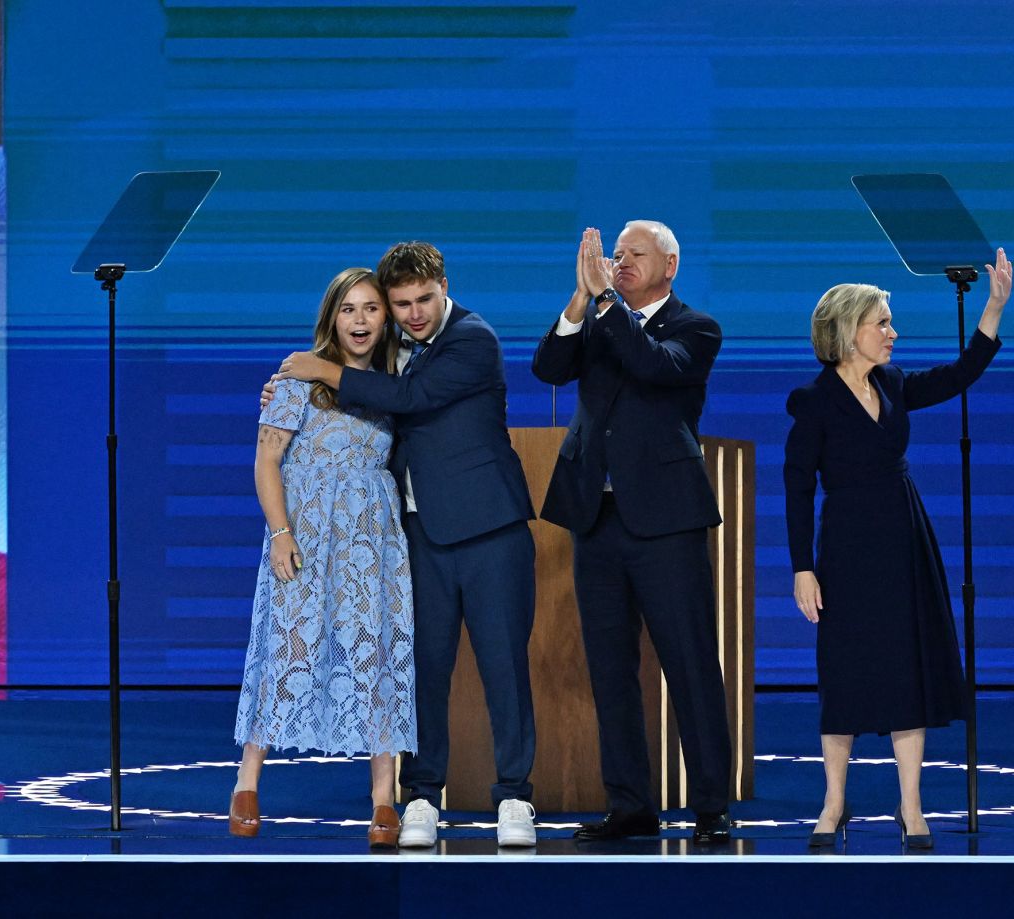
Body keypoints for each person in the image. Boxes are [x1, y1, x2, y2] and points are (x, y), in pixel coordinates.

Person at [271, 241, 539, 848]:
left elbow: (412, 401)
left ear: (444, 285)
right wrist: (289, 392)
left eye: (424, 299)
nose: (415, 313)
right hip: (417, 535)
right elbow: (363, 403)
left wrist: (324, 370)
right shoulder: (390, 355)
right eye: (401, 304)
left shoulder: (473, 339)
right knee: (421, 670)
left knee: (504, 667)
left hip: (490, 530)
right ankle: (422, 794)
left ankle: (515, 796)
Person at [784, 249, 1014, 849]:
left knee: (906, 669)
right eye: (881, 322)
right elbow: (797, 488)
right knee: (846, 672)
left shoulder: (891, 383)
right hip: (847, 546)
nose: (892, 332)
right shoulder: (813, 401)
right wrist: (802, 568)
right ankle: (834, 804)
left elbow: (959, 374)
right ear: (846, 331)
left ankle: (911, 808)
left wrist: (991, 308)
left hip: (903, 537)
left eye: (890, 322)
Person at [531, 222, 733, 844]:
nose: (620, 263)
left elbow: (651, 368)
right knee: (609, 669)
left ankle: (710, 807)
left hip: (667, 522)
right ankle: (631, 805)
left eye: (634, 254)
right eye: (615, 255)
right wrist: (578, 300)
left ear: (670, 264)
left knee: (690, 663)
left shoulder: (695, 328)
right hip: (599, 519)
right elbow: (548, 368)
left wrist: (607, 304)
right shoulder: (597, 320)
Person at [231, 267, 416, 850]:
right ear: (331, 317)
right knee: (287, 645)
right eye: (349, 310)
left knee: (376, 651)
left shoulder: (394, 385)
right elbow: (267, 462)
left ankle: (383, 799)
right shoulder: (294, 382)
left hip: (371, 541)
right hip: (304, 536)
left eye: (370, 309)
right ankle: (247, 783)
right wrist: (281, 531)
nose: (360, 321)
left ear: (385, 318)